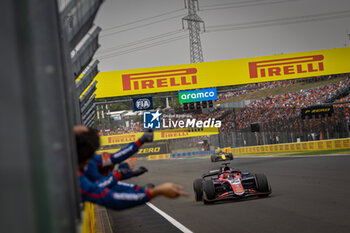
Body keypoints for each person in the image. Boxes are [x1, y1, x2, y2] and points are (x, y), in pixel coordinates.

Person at [74, 126, 188, 210]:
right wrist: (154, 191)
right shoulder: (77, 180)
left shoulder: (92, 161)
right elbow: (108, 194)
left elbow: (116, 157)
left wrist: (141, 141)